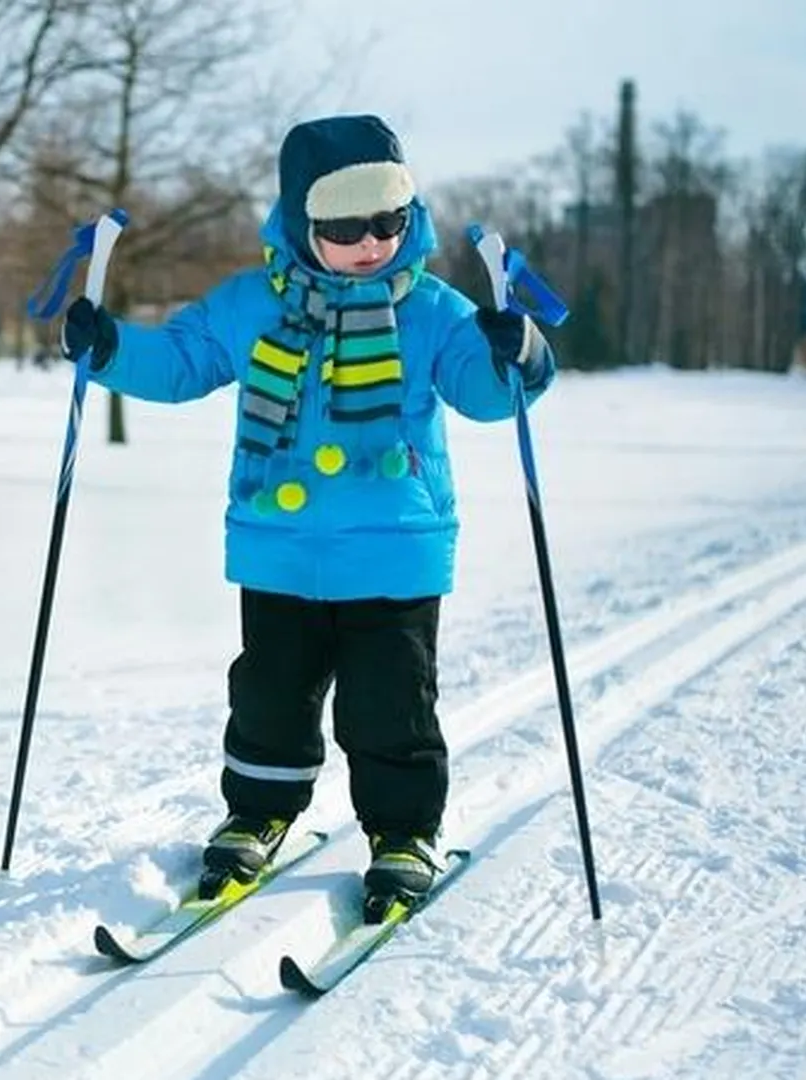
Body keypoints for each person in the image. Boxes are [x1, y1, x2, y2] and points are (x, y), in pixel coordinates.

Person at [60, 113, 554, 906]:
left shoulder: (431, 310)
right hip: (279, 547)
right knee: (268, 697)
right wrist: (111, 347)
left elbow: (489, 396)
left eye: (388, 221)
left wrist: (517, 352)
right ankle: (256, 814)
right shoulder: (253, 303)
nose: (371, 242)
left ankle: (403, 831)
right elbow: (184, 361)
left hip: (392, 553)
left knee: (389, 705)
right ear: (301, 221)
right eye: (346, 225)